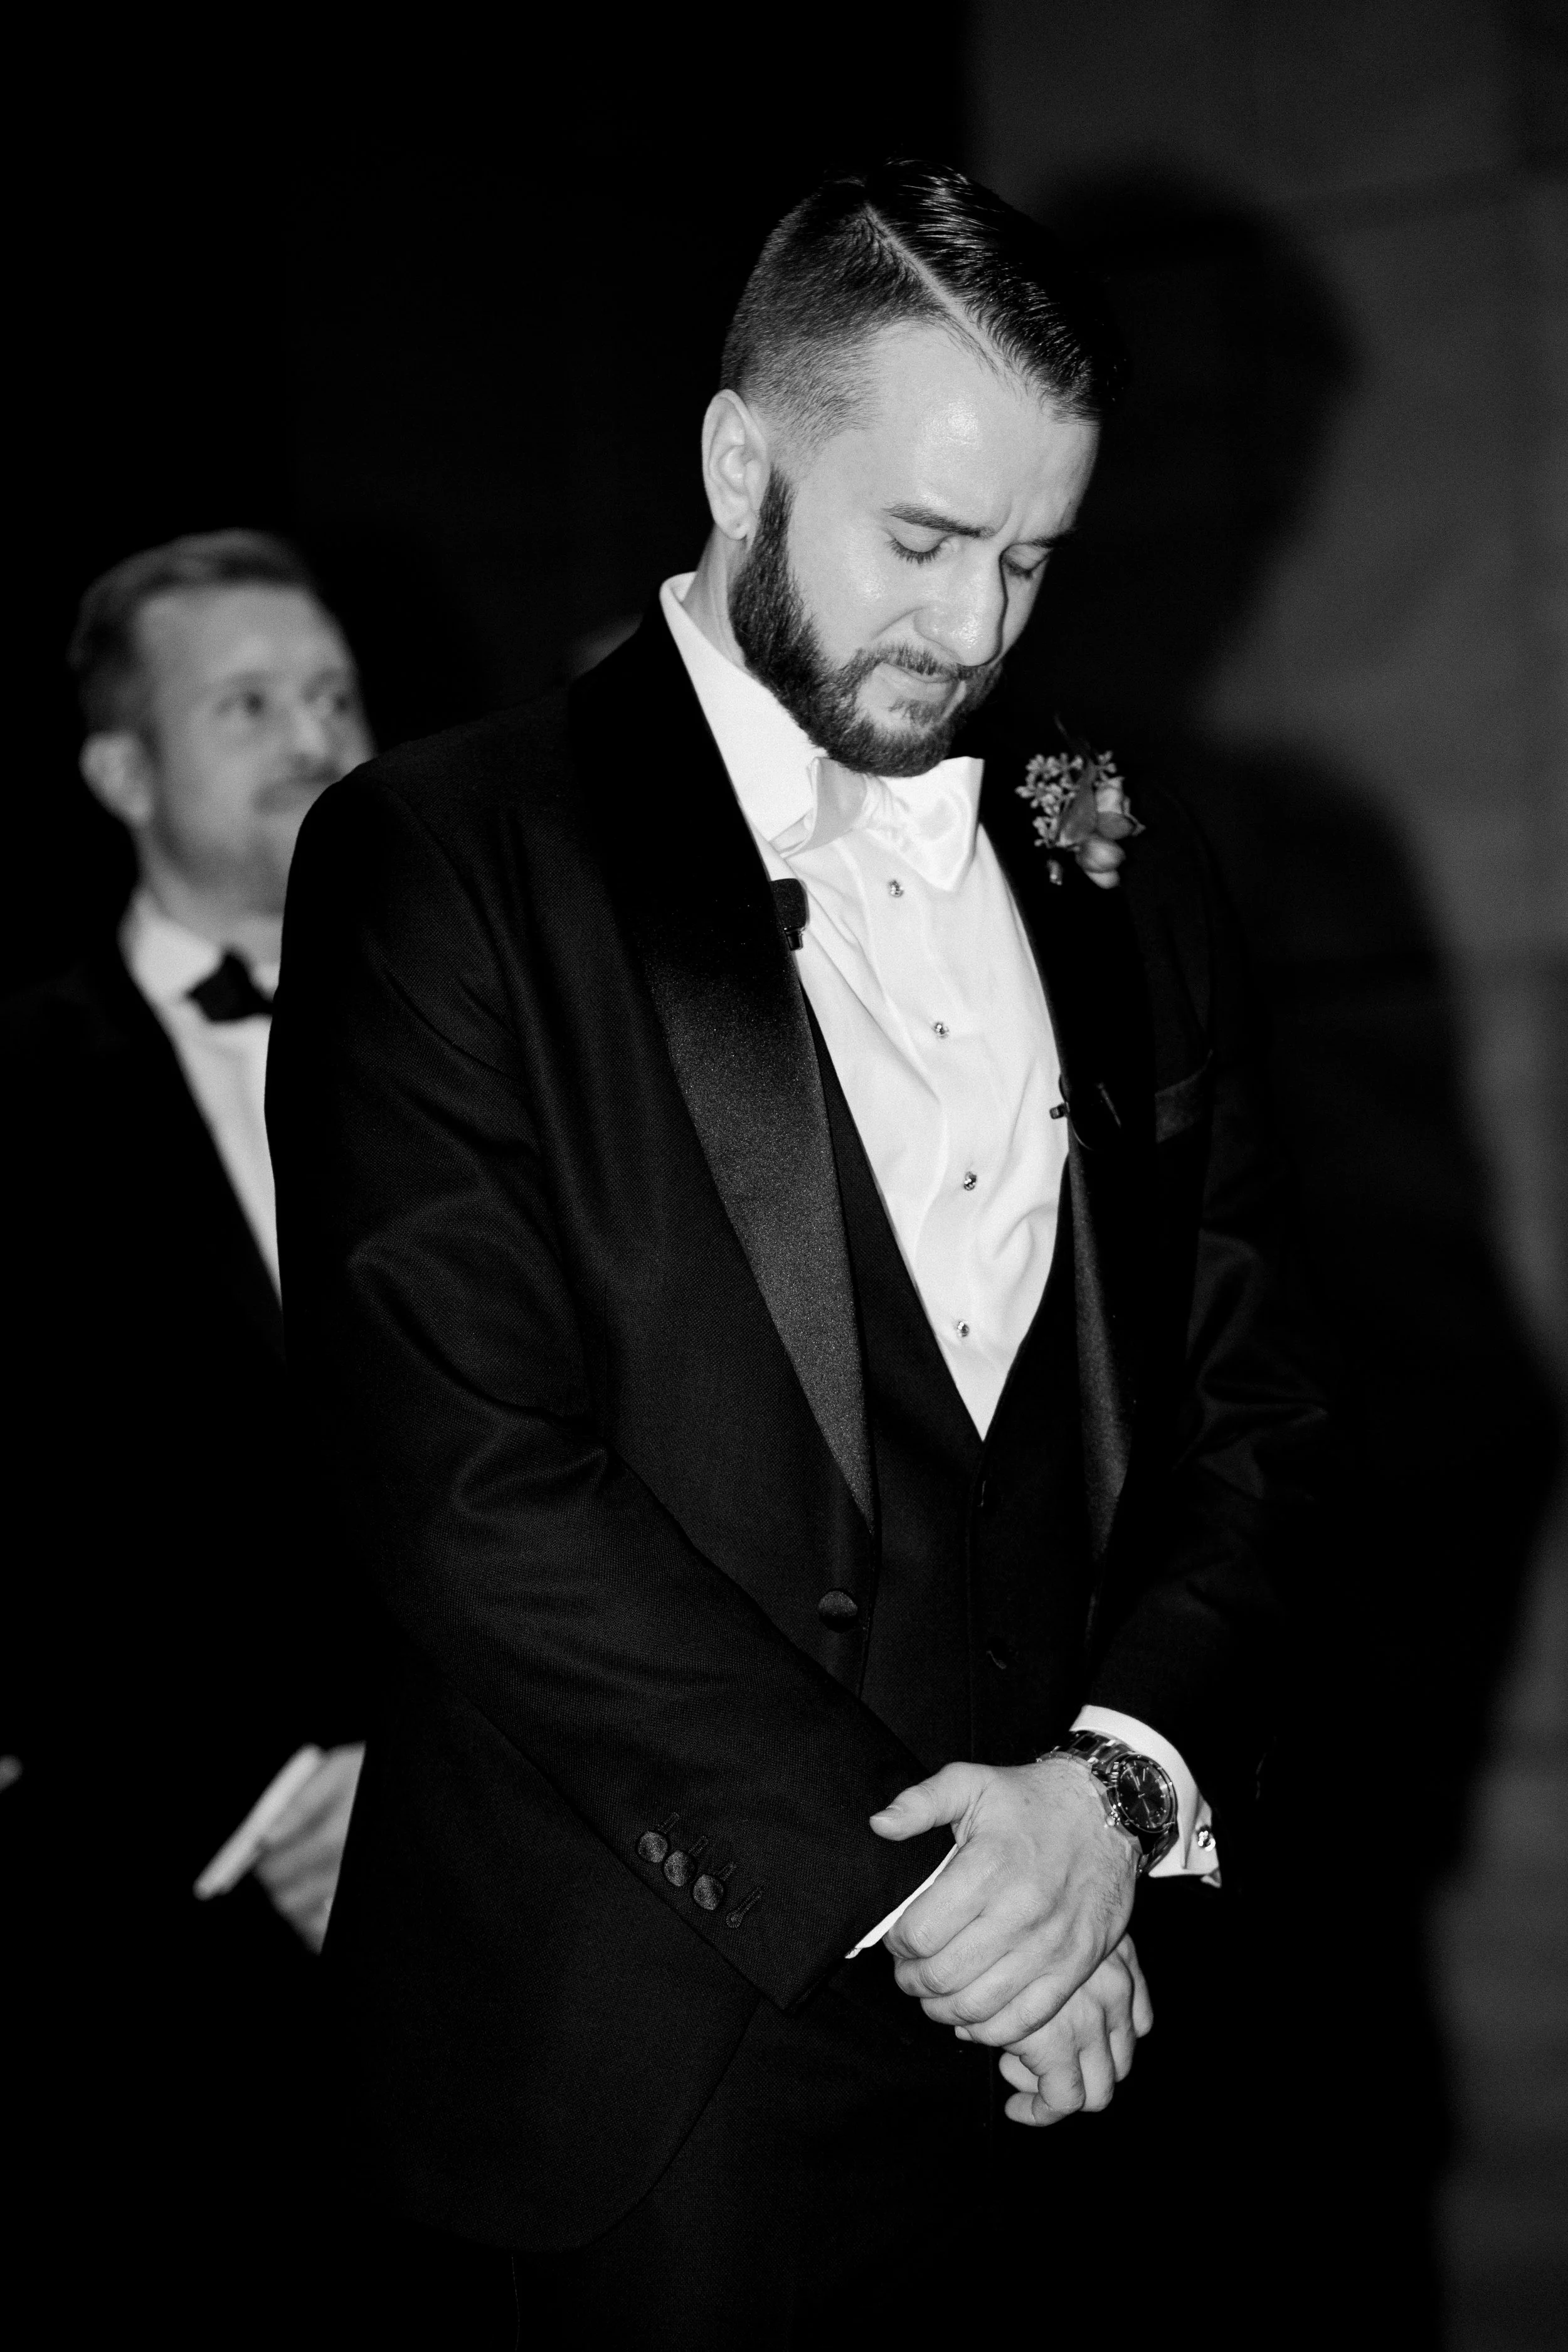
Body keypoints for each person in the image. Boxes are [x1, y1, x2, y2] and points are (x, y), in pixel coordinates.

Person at [268, 162, 1330, 2347]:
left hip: (1086, 2066)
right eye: (919, 543)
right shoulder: (444, 857)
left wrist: (1112, 1798)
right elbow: (470, 1493)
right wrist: (956, 1895)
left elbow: (1256, 1398)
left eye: (1030, 561)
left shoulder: (1108, 844)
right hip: (640, 2100)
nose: (973, 631)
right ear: (742, 461)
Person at [1, 531, 373, 2346]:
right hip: (179, 1963)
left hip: (543, 1924)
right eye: (248, 704)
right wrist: (283, 1794)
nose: (315, 737)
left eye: (332, 696)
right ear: (123, 775)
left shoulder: (508, 1050)